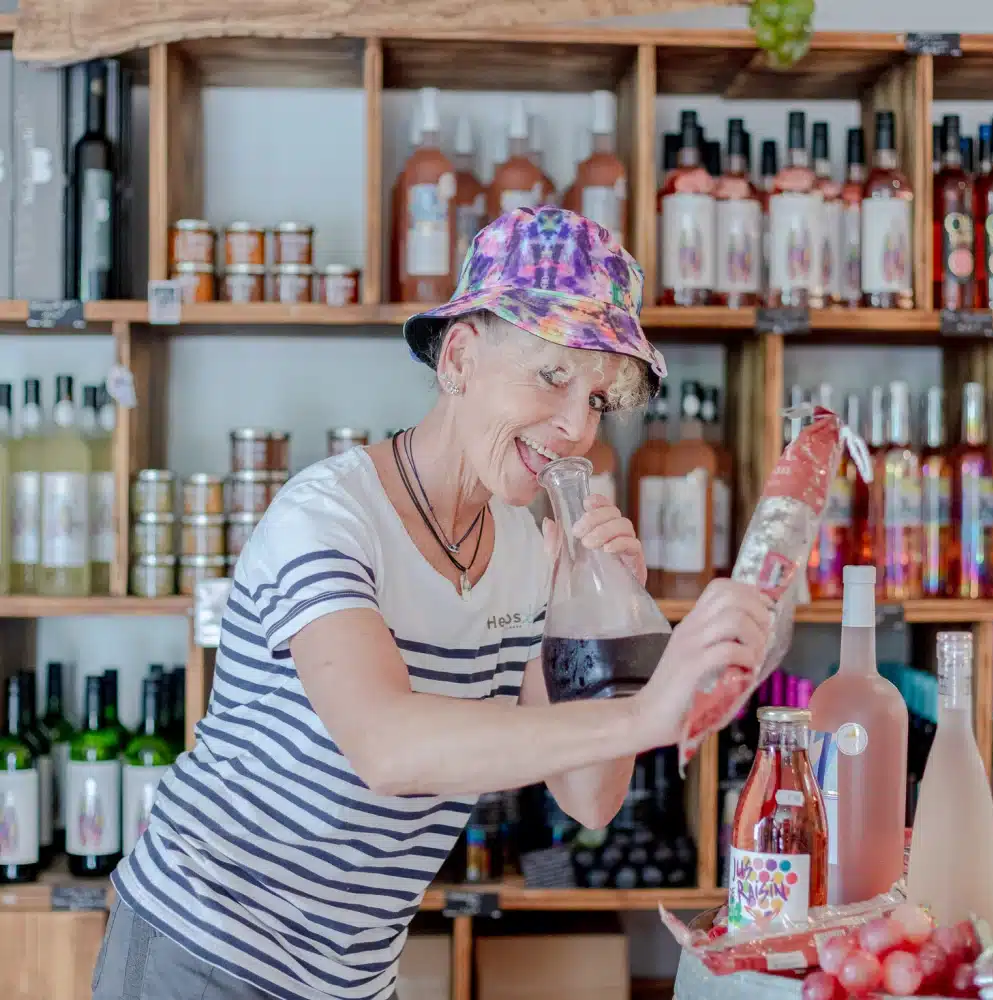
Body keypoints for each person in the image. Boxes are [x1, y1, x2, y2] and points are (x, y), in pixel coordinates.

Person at [92, 206, 771, 1000]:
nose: (576, 427)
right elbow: (386, 748)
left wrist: (597, 614)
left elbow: (590, 797)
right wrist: (652, 713)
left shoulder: (527, 554)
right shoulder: (327, 517)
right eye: (552, 377)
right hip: (200, 948)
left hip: (349, 977)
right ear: (458, 359)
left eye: (596, 399)